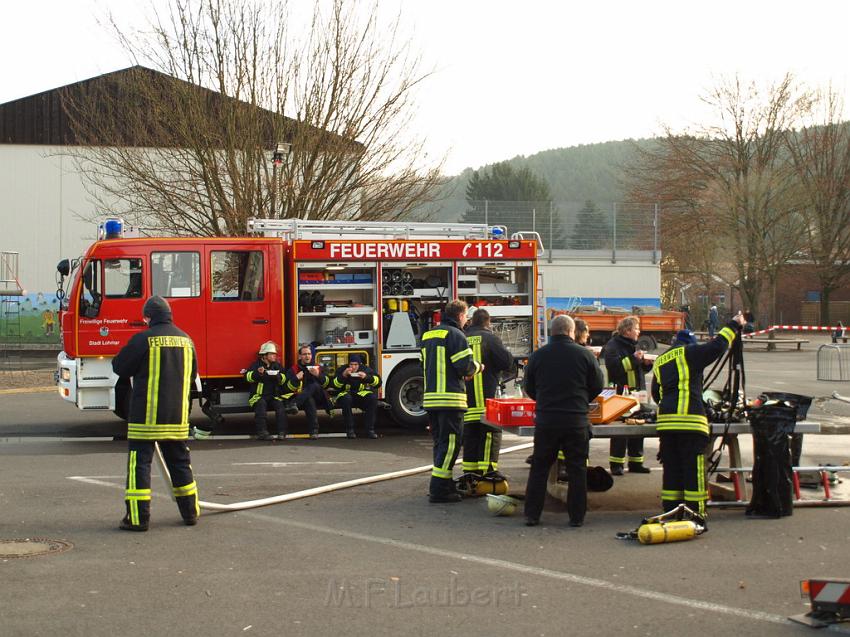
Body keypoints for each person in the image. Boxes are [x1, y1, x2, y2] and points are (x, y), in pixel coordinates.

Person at [111, 296, 199, 532]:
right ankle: (190, 513)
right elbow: (192, 376)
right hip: (177, 417)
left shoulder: (143, 339)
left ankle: (138, 519)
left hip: (146, 418)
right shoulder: (186, 340)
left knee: (139, 466)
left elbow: (120, 367)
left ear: (147, 317)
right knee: (181, 464)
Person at [651, 314, 745, 518]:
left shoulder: (660, 360)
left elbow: (656, 394)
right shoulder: (689, 353)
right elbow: (717, 347)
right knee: (694, 472)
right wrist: (734, 325)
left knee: (672, 472)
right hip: (690, 422)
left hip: (667, 424)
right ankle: (696, 515)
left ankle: (670, 512)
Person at [523, 315, 604, 527]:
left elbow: (529, 387)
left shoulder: (538, 356)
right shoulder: (585, 355)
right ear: (571, 332)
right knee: (577, 469)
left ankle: (532, 515)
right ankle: (577, 517)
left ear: (552, 332)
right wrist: (581, 400)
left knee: (539, 467)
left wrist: (543, 401)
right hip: (575, 420)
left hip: (547, 420)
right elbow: (597, 384)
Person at [422, 299, 483, 503]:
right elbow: (464, 366)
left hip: (431, 399)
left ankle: (445, 483)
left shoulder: (429, 334)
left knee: (440, 443)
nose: (466, 320)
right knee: (451, 445)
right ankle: (439, 488)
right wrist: (478, 367)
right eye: (466, 316)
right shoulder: (456, 335)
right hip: (450, 399)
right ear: (459, 315)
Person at [457, 308, 514, 495]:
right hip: (486, 403)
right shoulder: (490, 339)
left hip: (465, 402)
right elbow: (507, 363)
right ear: (488, 322)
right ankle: (488, 474)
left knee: (470, 438)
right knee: (490, 435)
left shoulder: (462, 337)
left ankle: (470, 476)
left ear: (472, 321)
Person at [603, 316, 653, 476]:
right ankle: (616, 464)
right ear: (627, 330)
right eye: (636, 328)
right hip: (621, 394)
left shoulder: (633, 345)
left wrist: (646, 364)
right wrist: (634, 359)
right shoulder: (613, 346)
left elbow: (637, 370)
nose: (639, 331)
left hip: (638, 393)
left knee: (638, 426)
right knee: (620, 429)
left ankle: (636, 462)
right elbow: (614, 367)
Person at [245, 341, 289, 441]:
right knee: (261, 406)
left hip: (274, 396)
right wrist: (258, 373)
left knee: (280, 407)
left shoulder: (277, 365)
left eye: (275, 354)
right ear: (264, 355)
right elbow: (247, 377)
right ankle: (262, 433)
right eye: (272, 354)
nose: (275, 356)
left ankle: (282, 432)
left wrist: (277, 376)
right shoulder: (256, 365)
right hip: (258, 396)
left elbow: (284, 379)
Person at [333, 354, 381, 439]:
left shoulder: (365, 369)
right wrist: (343, 375)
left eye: (356, 365)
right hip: (346, 394)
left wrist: (366, 377)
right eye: (351, 364)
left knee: (372, 398)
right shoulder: (343, 369)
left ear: (360, 364)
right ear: (348, 364)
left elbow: (378, 383)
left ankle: (370, 430)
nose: (353, 367)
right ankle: (350, 429)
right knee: (346, 399)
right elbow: (335, 385)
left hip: (360, 394)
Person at [285, 344, 327, 439]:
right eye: (304, 354)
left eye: (309, 354)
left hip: (319, 397)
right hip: (304, 398)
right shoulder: (293, 369)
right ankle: (314, 431)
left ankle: (293, 404)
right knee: (309, 400)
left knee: (314, 386)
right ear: (300, 356)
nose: (307, 356)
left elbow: (327, 384)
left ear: (312, 355)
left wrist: (318, 375)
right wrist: (296, 378)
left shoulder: (318, 367)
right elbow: (287, 388)